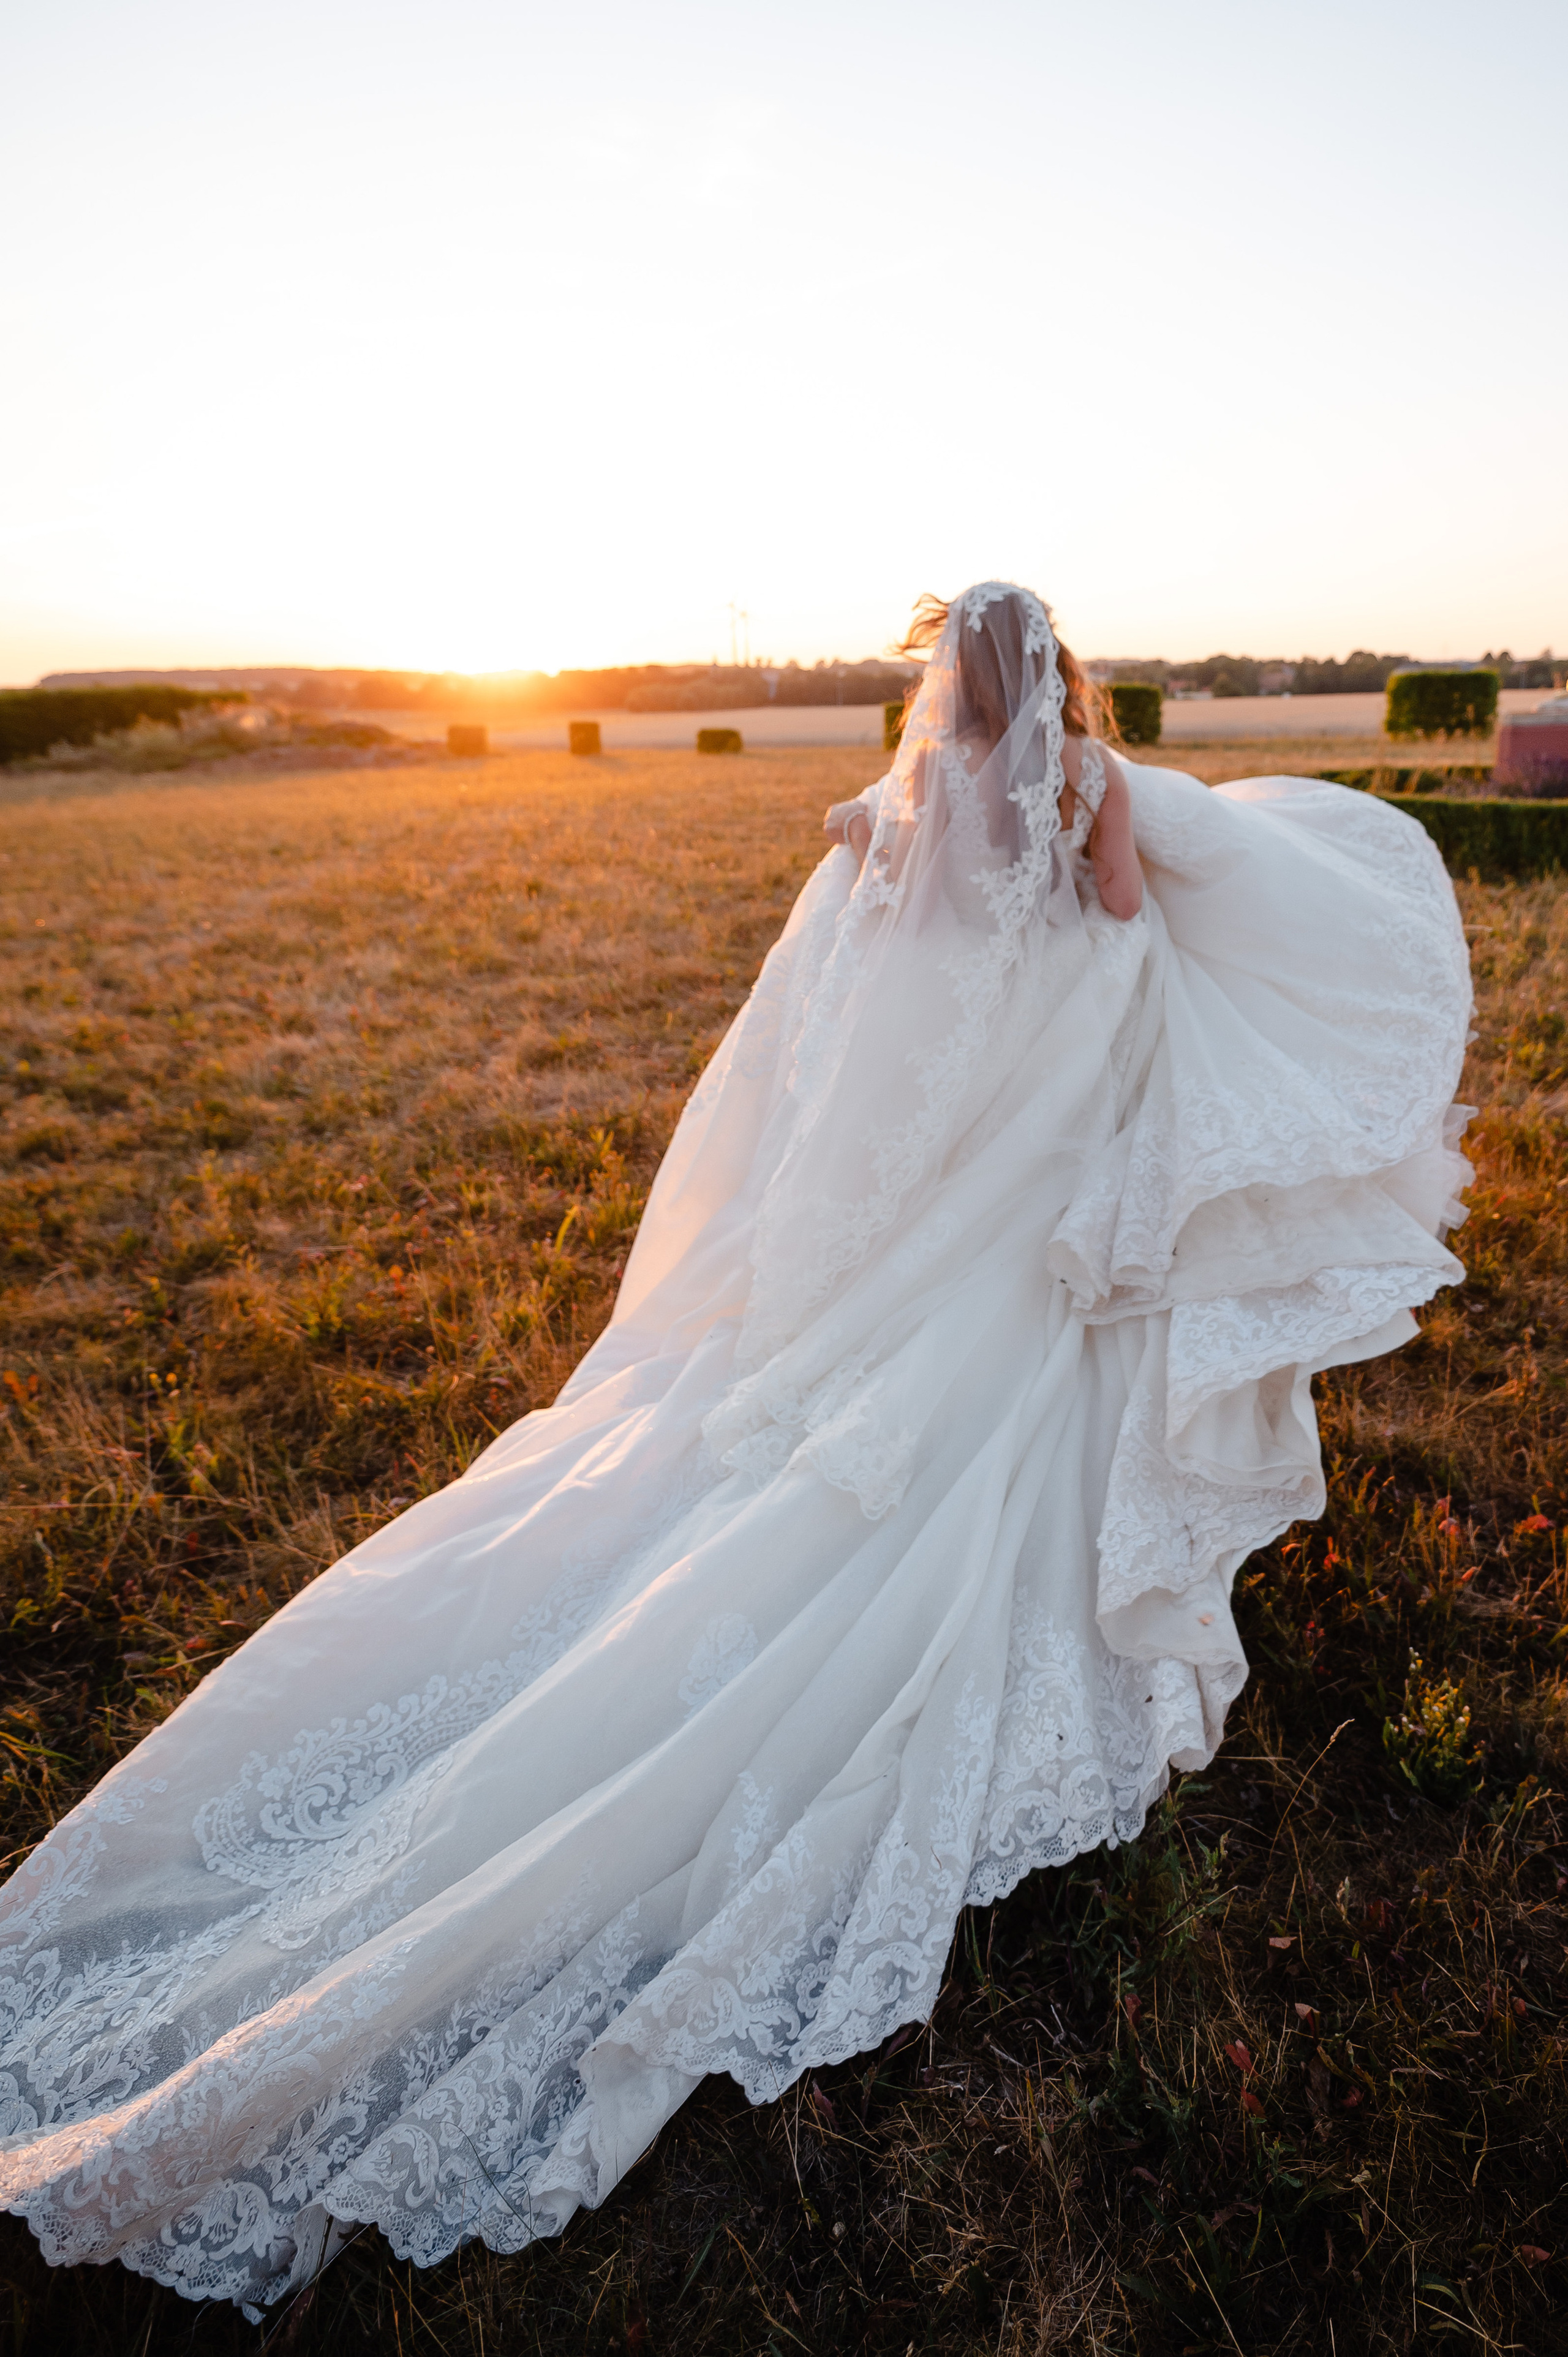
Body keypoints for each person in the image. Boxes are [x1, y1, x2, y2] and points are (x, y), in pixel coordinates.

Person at [0, 584, 1472, 2316]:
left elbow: (875, 935)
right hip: (1040, 1144)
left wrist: (886, 845)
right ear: (1058, 673)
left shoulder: (916, 796)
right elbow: (1120, 930)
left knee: (760, 1439)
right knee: (1000, 1397)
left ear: (950, 685)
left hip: (939, 1181)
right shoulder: (1095, 796)